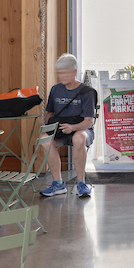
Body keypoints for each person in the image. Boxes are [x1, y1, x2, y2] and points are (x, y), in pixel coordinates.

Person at [39, 54, 98, 199]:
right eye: (59, 73)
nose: (61, 76)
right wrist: (51, 127)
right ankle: (58, 183)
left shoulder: (87, 92)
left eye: (65, 72)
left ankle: (81, 183)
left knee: (78, 139)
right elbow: (49, 113)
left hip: (81, 129)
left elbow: (89, 121)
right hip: (61, 130)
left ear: (74, 72)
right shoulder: (55, 89)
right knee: (44, 139)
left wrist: (72, 128)